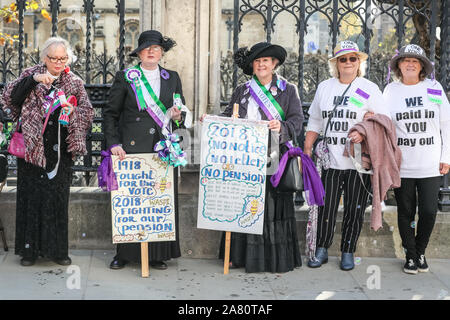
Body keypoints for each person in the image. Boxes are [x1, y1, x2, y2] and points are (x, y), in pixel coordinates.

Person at [0, 37, 94, 266]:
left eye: (63, 58)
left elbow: (87, 112)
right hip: (32, 148)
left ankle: (58, 251)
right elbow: (10, 98)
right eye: (54, 58)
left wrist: (73, 112)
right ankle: (29, 251)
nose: (59, 62)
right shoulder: (30, 74)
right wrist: (33, 80)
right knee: (31, 198)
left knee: (57, 200)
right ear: (45, 58)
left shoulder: (73, 82)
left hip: (59, 150)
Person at [104, 30, 192, 270]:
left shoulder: (172, 77)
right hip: (131, 149)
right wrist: (114, 143)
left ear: (162, 52)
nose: (152, 51)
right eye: (147, 47)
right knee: (131, 202)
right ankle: (124, 253)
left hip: (162, 148)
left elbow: (179, 112)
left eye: (156, 47)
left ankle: (157, 254)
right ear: (140, 52)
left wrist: (177, 116)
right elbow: (110, 114)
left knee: (158, 201)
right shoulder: (126, 77)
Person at [213, 42, 304, 273]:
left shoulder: (288, 89)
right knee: (245, 206)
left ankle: (273, 259)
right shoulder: (242, 90)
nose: (262, 64)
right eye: (257, 61)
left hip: (275, 157)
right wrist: (212, 121)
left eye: (266, 60)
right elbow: (227, 117)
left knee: (272, 207)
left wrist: (280, 126)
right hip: (245, 157)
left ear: (274, 64)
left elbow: (296, 122)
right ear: (252, 66)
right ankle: (239, 256)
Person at [304, 40, 391, 271]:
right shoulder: (325, 87)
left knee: (354, 208)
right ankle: (321, 249)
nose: (348, 63)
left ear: (359, 62)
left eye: (353, 58)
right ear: (336, 63)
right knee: (326, 206)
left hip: (358, 162)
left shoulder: (369, 88)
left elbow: (383, 121)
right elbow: (314, 119)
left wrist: (365, 132)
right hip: (330, 159)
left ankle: (348, 251)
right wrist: (307, 147)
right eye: (343, 59)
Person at [384, 44, 450, 274]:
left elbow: (446, 123)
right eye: (405, 60)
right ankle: (410, 256)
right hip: (402, 165)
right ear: (398, 66)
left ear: (422, 66)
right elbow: (383, 125)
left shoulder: (433, 87)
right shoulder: (391, 91)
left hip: (430, 163)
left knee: (430, 211)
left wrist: (446, 156)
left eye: (415, 60)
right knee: (405, 211)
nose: (410, 64)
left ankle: (421, 250)